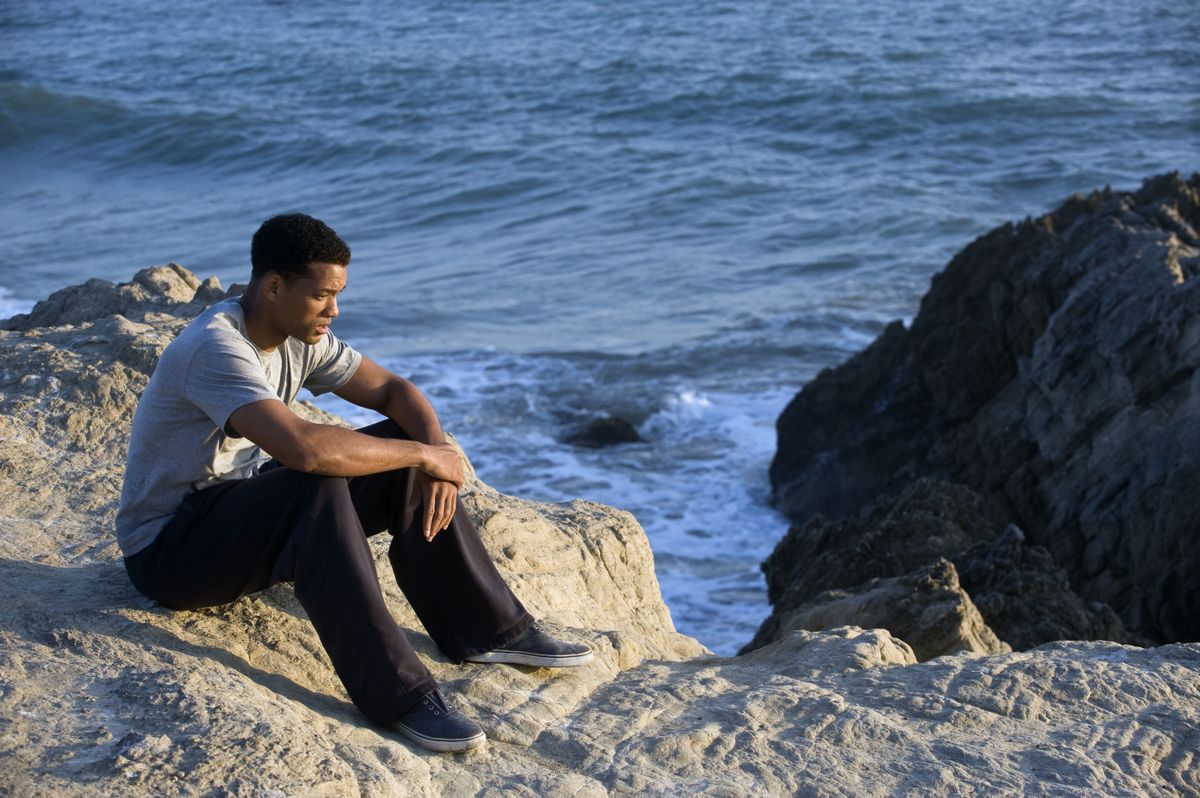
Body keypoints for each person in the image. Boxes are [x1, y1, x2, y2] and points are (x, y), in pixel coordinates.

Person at [115, 213, 592, 753]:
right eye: (322, 295)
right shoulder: (215, 348)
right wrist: (429, 455)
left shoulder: (299, 336)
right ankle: (402, 697)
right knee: (315, 483)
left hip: (234, 516)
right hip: (171, 552)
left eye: (338, 295)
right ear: (274, 288)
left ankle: (488, 630)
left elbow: (392, 390)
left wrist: (430, 454)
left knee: (398, 451)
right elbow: (304, 449)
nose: (334, 310)